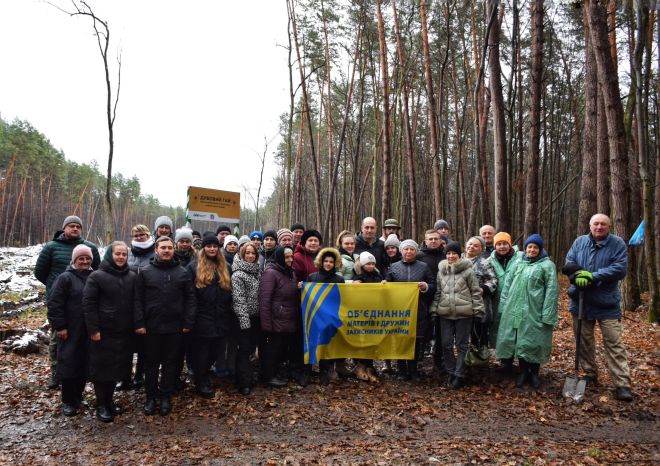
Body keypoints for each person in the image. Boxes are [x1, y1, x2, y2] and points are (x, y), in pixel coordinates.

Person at [564, 213, 632, 401]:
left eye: (603, 224)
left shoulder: (617, 244)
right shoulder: (579, 242)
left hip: (607, 303)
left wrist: (593, 276)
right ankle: (589, 373)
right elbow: (569, 263)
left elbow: (620, 268)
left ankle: (622, 384)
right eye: (596, 224)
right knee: (583, 341)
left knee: (614, 343)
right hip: (581, 301)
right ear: (590, 225)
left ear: (608, 226)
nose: (599, 227)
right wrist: (577, 276)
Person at [35, 215, 100, 389]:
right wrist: (55, 286)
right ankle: (57, 375)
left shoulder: (90, 247)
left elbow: (97, 272)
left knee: (84, 340)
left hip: (86, 305)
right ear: (64, 228)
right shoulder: (51, 247)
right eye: (71, 226)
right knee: (59, 339)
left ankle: (83, 373)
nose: (74, 229)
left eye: (78, 226)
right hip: (59, 303)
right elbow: (40, 272)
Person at [134, 236, 196, 416]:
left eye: (169, 247)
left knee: (171, 363)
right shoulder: (145, 272)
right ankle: (150, 397)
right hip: (151, 327)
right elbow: (137, 300)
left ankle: (165, 397)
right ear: (156, 250)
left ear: (173, 249)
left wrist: (187, 322)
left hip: (175, 328)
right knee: (151, 364)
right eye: (163, 247)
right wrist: (139, 323)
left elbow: (190, 299)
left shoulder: (182, 273)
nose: (167, 250)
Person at [496, 234, 558, 389]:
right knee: (521, 341)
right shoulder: (518, 262)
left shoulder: (547, 265)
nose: (531, 250)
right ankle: (523, 372)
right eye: (529, 247)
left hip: (535, 310)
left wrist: (548, 313)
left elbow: (552, 291)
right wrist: (503, 307)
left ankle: (534, 373)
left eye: (535, 247)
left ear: (540, 249)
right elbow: (507, 286)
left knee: (535, 341)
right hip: (515, 309)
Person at [82, 241, 135, 422]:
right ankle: (101, 405)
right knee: (101, 370)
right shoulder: (97, 276)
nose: (121, 257)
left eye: (124, 254)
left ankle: (110, 401)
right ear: (110, 255)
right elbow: (88, 305)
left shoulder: (131, 276)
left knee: (116, 368)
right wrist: (93, 329)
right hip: (103, 332)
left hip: (124, 331)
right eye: (117, 254)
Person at [46, 244, 94, 416]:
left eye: (87, 258)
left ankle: (78, 395)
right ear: (74, 260)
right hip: (69, 329)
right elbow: (54, 303)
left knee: (84, 362)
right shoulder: (65, 278)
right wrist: (60, 326)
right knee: (68, 362)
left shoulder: (94, 276)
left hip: (88, 328)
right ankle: (68, 400)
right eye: (81, 258)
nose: (84, 261)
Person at [430, 241, 484, 389]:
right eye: (448, 253)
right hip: (445, 313)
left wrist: (479, 311)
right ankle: (451, 371)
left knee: (462, 345)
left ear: (459, 255)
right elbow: (438, 293)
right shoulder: (441, 271)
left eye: (453, 253)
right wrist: (434, 310)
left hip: (464, 314)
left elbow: (475, 291)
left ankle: (459, 374)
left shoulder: (468, 271)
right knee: (446, 345)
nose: (451, 256)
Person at [186, 234, 233, 399]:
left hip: (221, 316)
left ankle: (202, 373)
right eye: (208, 246)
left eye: (215, 246)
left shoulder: (226, 266)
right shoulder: (193, 267)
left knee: (216, 350)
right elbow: (189, 295)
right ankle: (201, 380)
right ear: (203, 248)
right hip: (201, 317)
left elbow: (230, 292)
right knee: (202, 352)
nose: (212, 248)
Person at [384, 239, 436, 381]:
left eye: (411, 249)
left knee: (415, 340)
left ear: (415, 251)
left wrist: (425, 286)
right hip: (399, 311)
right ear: (401, 251)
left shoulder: (424, 267)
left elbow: (433, 285)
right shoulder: (393, 267)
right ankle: (401, 370)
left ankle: (413, 370)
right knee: (400, 339)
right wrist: (385, 284)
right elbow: (387, 283)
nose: (408, 251)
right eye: (406, 249)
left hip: (418, 309)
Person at [259, 247, 300, 387]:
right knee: (271, 350)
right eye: (287, 257)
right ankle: (268, 376)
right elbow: (265, 301)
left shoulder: (290, 273)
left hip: (287, 318)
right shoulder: (270, 273)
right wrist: (266, 325)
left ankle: (276, 373)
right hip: (275, 320)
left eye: (291, 257)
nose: (290, 260)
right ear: (280, 258)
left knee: (280, 349)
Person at [307, 248, 345, 385]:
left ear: (335, 263)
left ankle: (324, 372)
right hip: (314, 317)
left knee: (327, 344)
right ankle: (308, 371)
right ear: (321, 262)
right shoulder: (312, 277)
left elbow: (341, 299)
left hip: (330, 318)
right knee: (312, 343)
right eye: (326, 261)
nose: (328, 264)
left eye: (331, 262)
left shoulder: (339, 279)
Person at [231, 241, 262, 395]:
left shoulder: (257, 271)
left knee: (251, 349)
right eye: (247, 253)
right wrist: (245, 322)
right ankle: (244, 382)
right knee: (243, 350)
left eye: (253, 253)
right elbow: (239, 299)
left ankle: (250, 377)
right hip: (244, 319)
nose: (250, 256)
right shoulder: (237, 274)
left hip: (256, 318)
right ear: (242, 254)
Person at [489, 232, 523, 357]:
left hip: (517, 299)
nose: (502, 247)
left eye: (504, 243)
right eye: (498, 244)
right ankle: (505, 360)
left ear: (510, 244)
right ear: (494, 246)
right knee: (499, 330)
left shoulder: (521, 257)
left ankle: (520, 359)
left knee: (516, 329)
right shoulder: (489, 260)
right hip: (496, 300)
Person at [351, 251, 382, 384]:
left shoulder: (378, 276)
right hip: (361, 313)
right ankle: (360, 366)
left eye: (372, 263)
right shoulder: (358, 277)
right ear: (362, 265)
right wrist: (354, 284)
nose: (370, 266)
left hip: (375, 312)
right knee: (361, 340)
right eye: (367, 263)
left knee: (372, 339)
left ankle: (370, 367)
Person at [463, 236, 498, 351]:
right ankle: (463, 362)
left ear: (481, 249)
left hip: (478, 306)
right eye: (470, 244)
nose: (471, 247)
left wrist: (483, 289)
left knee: (478, 336)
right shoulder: (457, 259)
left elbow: (493, 281)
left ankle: (479, 362)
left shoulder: (484, 263)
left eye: (476, 245)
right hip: (460, 306)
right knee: (461, 337)